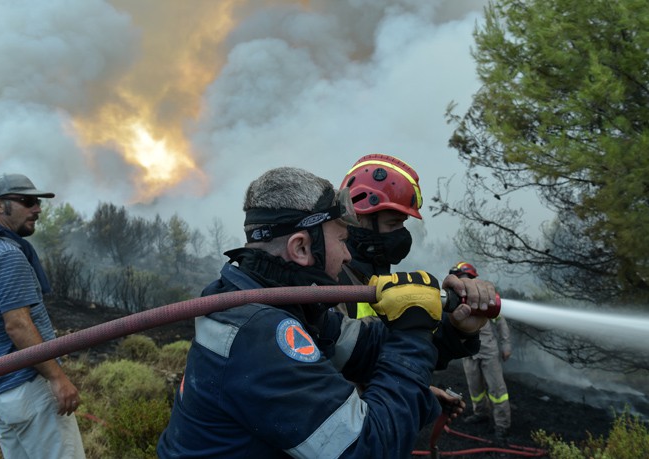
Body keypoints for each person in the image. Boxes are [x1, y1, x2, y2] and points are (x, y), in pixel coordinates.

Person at [157, 166, 497, 458]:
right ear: (301, 248)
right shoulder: (258, 333)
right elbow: (369, 448)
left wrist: (453, 327)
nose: (348, 256)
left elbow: (366, 346)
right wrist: (411, 333)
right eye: (342, 240)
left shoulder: (273, 305)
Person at [337, 154, 494, 418]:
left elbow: (395, 354)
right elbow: (352, 362)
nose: (402, 235)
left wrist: (457, 329)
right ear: (358, 217)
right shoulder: (333, 284)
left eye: (403, 224)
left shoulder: (369, 276)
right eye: (393, 224)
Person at [0, 173, 85, 459]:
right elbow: (17, 325)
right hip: (26, 391)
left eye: (37, 202)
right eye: (27, 201)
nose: (37, 209)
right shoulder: (7, 254)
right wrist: (57, 378)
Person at [450, 261, 512, 444]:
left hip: (487, 351)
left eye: (462, 277)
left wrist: (506, 345)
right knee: (474, 388)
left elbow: (501, 322)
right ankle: (480, 413)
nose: (460, 281)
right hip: (468, 352)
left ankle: (502, 426)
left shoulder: (485, 296)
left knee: (497, 390)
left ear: (471, 277)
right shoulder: (455, 297)